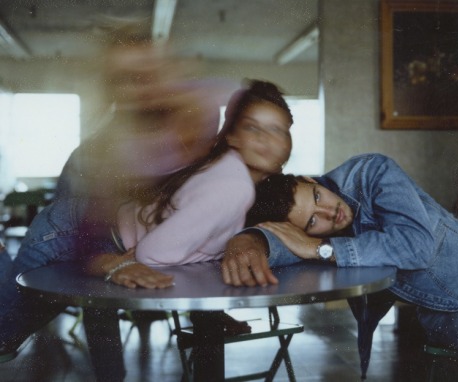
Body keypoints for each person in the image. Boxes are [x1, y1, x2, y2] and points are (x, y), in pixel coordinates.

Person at [0, 76, 293, 364]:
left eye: (278, 130)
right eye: (253, 128)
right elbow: (154, 251)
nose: (267, 140)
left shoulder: (222, 167)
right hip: (73, 229)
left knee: (27, 327)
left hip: (99, 232)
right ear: (232, 134)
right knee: (7, 332)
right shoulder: (232, 183)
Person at [222, 153, 458, 378]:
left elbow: (417, 247)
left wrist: (321, 248)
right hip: (450, 310)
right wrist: (249, 239)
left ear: (310, 180)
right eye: (313, 222)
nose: (330, 212)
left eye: (318, 196)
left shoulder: (371, 173)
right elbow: (282, 241)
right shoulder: (312, 233)